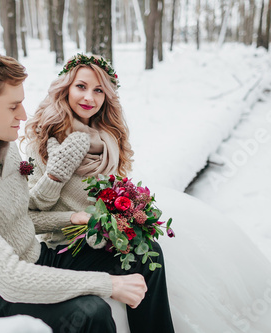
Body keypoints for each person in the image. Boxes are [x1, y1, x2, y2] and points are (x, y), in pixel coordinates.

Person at [0, 49, 152, 333]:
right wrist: (108, 283)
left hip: (36, 257)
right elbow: (10, 279)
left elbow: (18, 219)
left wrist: (71, 218)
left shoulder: (7, 149)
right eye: (13, 106)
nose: (23, 114)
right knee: (91, 312)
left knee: (144, 255)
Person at [24, 53, 174, 332]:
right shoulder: (44, 140)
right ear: (66, 87)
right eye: (81, 86)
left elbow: (109, 196)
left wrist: (127, 216)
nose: (89, 98)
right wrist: (57, 176)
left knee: (149, 254)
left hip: (101, 242)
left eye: (98, 90)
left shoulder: (108, 139)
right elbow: (29, 213)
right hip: (61, 250)